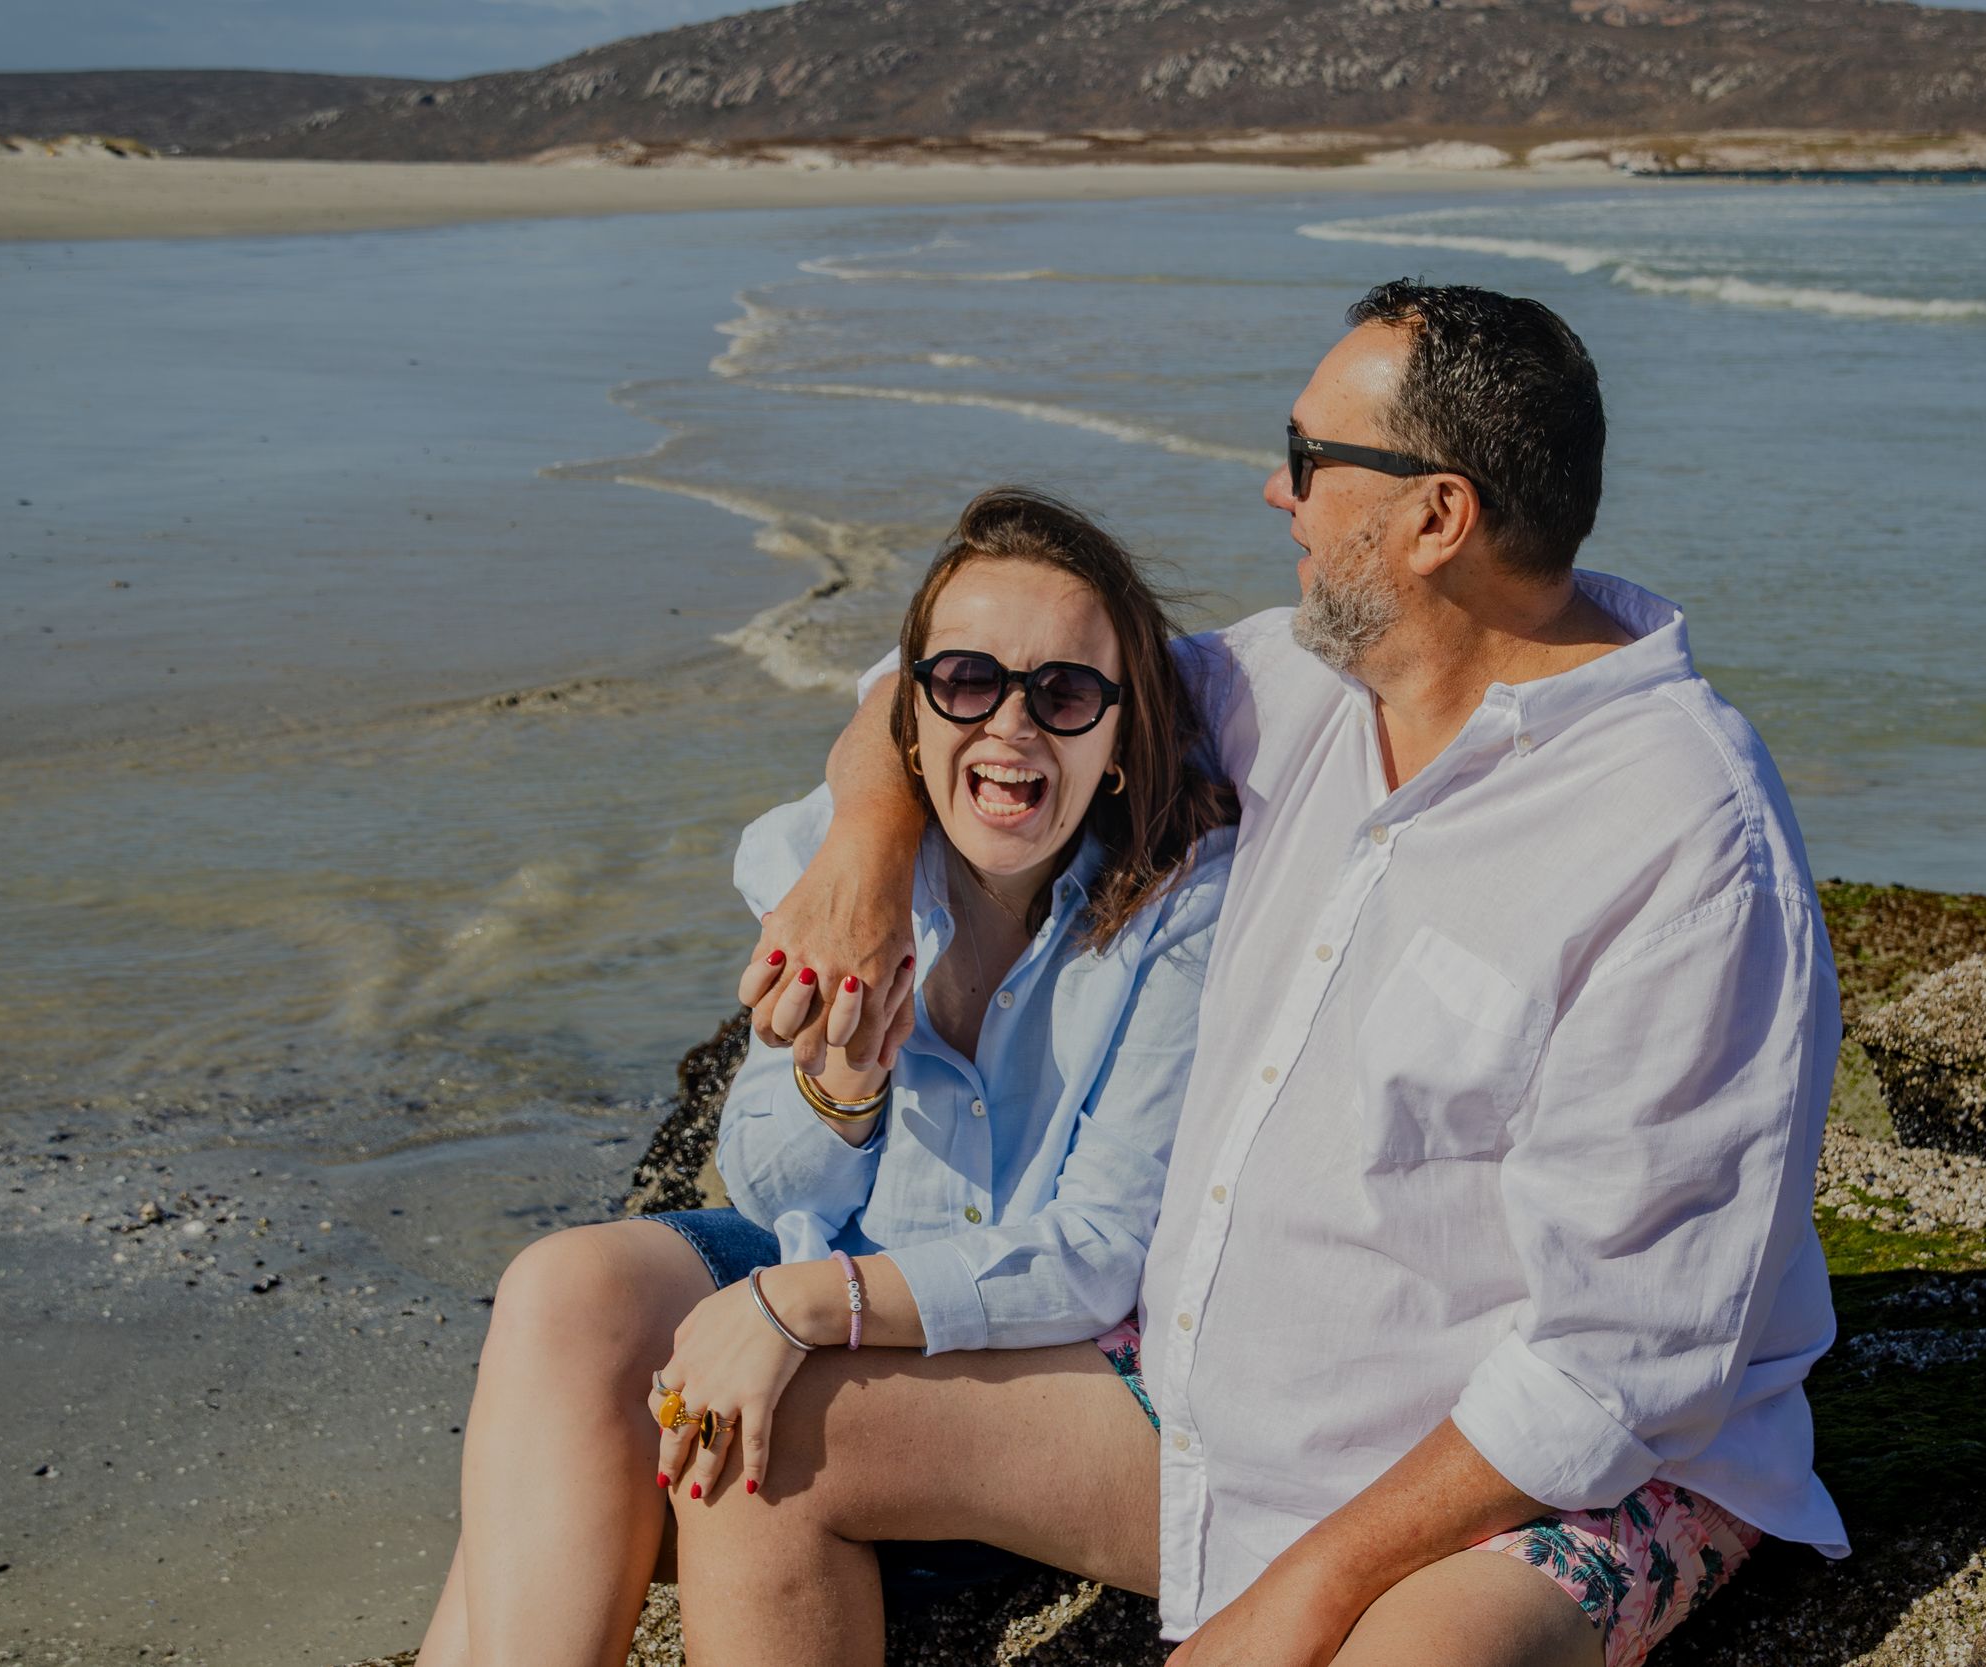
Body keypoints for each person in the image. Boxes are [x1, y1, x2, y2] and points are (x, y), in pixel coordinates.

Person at [730, 280, 1850, 1667]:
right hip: (1208, 1411)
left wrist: (1301, 1594)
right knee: (751, 1438)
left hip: (1525, 1484)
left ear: (1437, 516)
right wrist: (864, 848)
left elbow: (1615, 1370)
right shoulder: (1301, 688)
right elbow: (949, 683)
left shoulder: (1684, 843)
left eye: (1310, 458)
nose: (1278, 490)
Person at [413, 488, 1235, 1667]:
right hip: (844, 1259)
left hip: (1028, 1357)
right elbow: (768, 1183)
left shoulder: (1180, 908)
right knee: (564, 1287)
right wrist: (842, 1084)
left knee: (714, 1430)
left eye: (1061, 693)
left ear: (1117, 731)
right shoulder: (838, 872)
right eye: (968, 682)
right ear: (911, 711)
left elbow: (1098, 1246)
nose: (1010, 723)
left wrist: (799, 1307)